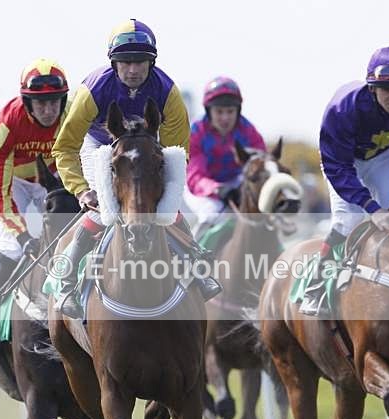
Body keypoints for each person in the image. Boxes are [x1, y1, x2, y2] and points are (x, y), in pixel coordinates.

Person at [51, 18, 221, 319]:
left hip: (147, 143)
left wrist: (164, 191)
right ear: (114, 64)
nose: (133, 70)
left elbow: (177, 152)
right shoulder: (92, 91)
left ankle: (195, 259)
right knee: (105, 208)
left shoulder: (168, 93)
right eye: (125, 62)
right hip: (101, 146)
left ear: (151, 62)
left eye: (140, 62)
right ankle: (65, 277)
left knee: (168, 207)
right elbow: (64, 147)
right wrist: (81, 190)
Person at [299, 46, 389, 317]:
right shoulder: (344, 108)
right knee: (348, 220)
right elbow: (337, 167)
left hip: (382, 156)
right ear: (372, 88)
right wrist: (371, 207)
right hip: (343, 162)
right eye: (388, 90)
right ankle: (317, 282)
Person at [0, 58, 71, 354]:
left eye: (53, 102)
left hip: (54, 178)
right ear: (27, 103)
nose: (48, 110)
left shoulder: (72, 116)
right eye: (40, 103)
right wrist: (21, 232)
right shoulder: (8, 123)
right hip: (13, 185)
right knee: (14, 249)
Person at [183, 76, 266, 232]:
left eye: (230, 111)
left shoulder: (249, 131)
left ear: (238, 110)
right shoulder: (195, 132)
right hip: (202, 190)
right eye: (219, 112)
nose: (225, 118)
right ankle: (195, 254)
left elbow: (262, 166)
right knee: (212, 215)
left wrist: (244, 187)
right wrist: (218, 189)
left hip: (236, 184)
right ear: (209, 111)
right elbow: (195, 177)